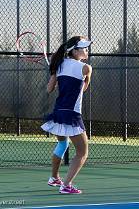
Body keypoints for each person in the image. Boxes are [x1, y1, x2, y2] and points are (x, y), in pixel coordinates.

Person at [41, 36, 92, 194]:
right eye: (84, 47)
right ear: (75, 51)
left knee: (63, 144)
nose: (86, 50)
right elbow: (83, 89)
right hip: (71, 114)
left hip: (58, 113)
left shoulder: (59, 65)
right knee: (82, 153)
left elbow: (49, 89)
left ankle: (54, 177)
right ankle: (66, 185)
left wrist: (55, 76)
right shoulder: (86, 68)